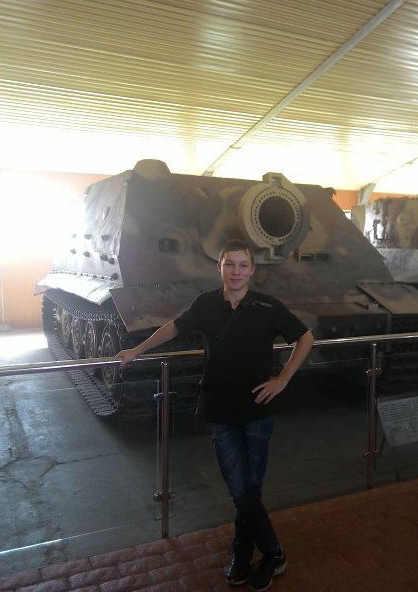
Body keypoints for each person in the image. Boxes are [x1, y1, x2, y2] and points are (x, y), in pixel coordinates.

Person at [116, 238, 314, 591]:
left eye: (243, 265)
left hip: (257, 409)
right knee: (241, 488)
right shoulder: (206, 304)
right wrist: (136, 350)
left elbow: (305, 338)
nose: (236, 271)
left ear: (252, 270)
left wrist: (283, 379)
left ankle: (243, 552)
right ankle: (273, 552)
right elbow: (174, 327)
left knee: (249, 489)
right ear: (219, 267)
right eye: (229, 264)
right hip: (220, 409)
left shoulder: (268, 306)